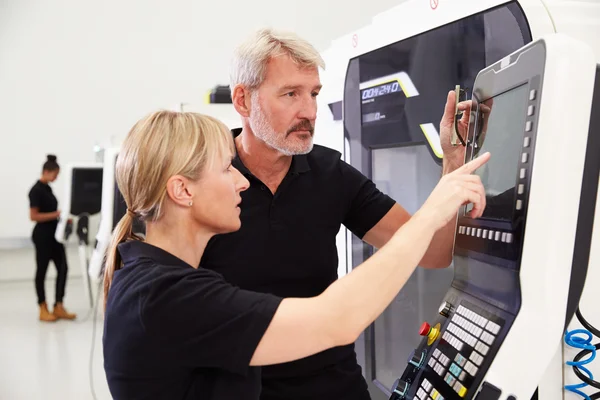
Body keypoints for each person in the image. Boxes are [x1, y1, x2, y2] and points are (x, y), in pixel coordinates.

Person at [102, 110, 489, 400]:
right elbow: (336, 321)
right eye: (226, 169)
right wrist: (430, 213)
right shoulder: (167, 296)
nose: (241, 182)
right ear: (182, 191)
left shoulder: (153, 279)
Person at [199, 28, 477, 399]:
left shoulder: (331, 174)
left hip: (331, 386)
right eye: (290, 94)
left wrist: (452, 161)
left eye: (313, 93)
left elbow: (432, 251)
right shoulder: (205, 178)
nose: (309, 112)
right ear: (243, 100)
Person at [28, 155, 76, 322]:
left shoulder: (48, 189)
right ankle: (42, 307)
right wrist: (56, 214)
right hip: (42, 236)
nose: (57, 177)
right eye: (55, 174)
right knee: (42, 271)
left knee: (63, 268)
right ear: (47, 171)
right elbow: (33, 216)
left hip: (55, 235)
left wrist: (62, 218)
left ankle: (58, 305)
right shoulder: (35, 190)